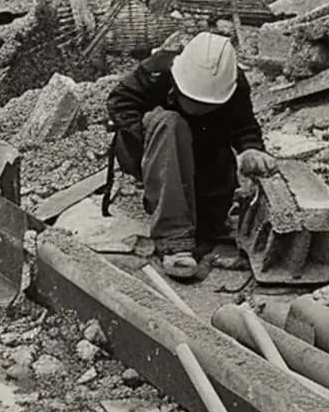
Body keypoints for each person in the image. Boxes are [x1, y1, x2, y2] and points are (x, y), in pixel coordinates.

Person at [107, 32, 276, 281]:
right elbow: (119, 102)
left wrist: (251, 149)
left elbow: (244, 125)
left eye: (207, 105)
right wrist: (152, 138)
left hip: (203, 152)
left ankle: (201, 212)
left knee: (210, 226)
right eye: (193, 100)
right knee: (170, 123)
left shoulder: (234, 83)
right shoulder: (157, 71)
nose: (198, 109)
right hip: (149, 150)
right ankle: (173, 238)